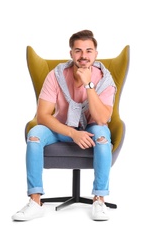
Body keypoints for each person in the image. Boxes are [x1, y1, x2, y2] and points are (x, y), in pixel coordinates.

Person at [12, 29, 116, 221]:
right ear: (71, 54)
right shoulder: (57, 75)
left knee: (102, 135)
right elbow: (43, 116)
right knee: (34, 134)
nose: (83, 56)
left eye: (88, 50)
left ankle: (99, 199)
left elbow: (102, 119)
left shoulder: (105, 80)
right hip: (61, 128)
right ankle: (35, 201)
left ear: (95, 54)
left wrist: (89, 85)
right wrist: (73, 133)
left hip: (92, 129)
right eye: (78, 50)